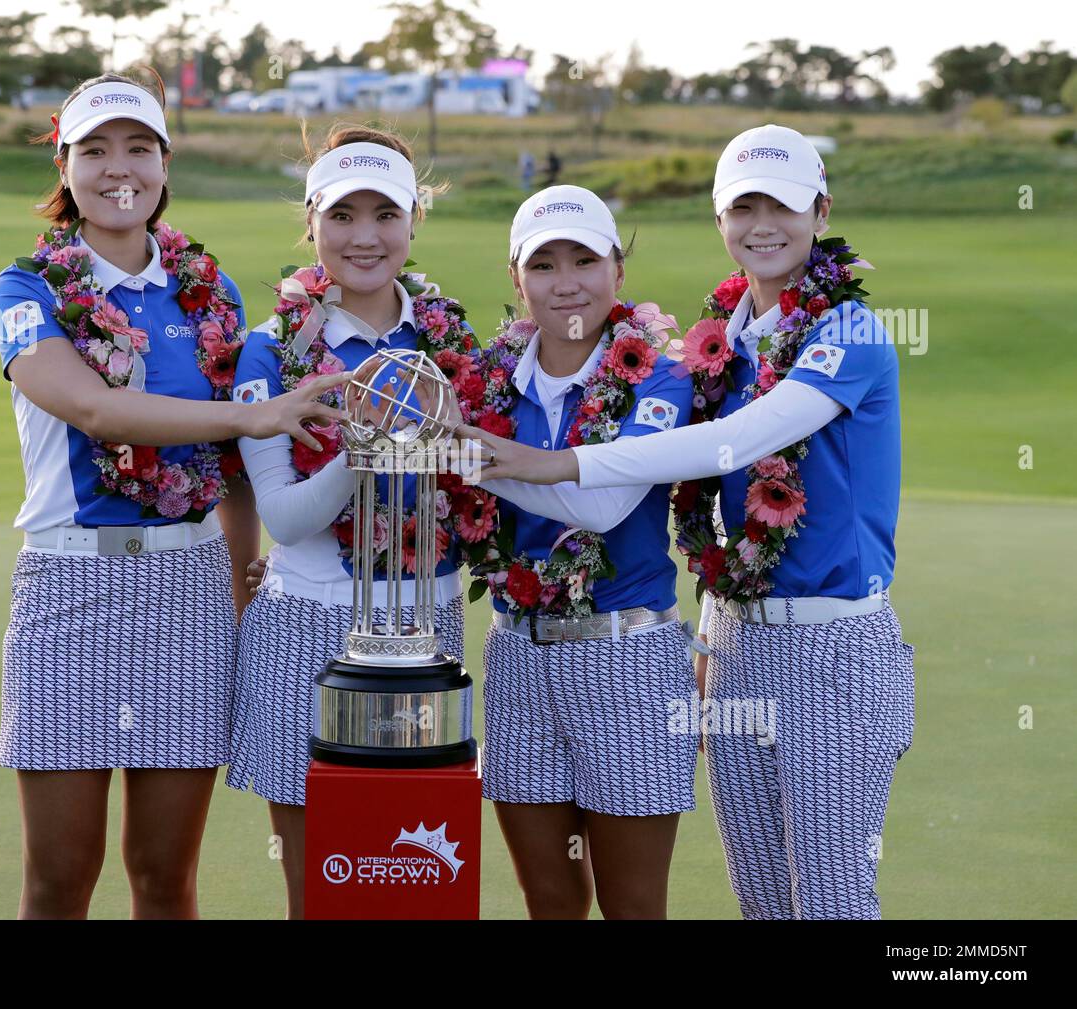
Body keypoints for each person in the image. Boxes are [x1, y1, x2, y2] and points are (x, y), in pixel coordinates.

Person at [462, 125, 915, 920]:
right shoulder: (725, 345)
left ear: (821, 210)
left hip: (834, 643)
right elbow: (710, 498)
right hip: (737, 642)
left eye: (782, 203)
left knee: (834, 901)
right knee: (765, 900)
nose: (762, 223)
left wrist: (544, 462)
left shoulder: (852, 332)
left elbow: (736, 440)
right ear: (720, 221)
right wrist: (711, 631)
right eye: (744, 204)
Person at [0, 68, 347, 920]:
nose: (121, 168)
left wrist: (241, 572)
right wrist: (251, 417)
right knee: (59, 877)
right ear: (66, 169)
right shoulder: (25, 290)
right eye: (96, 150)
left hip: (188, 590)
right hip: (68, 587)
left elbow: (226, 468)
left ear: (164, 162)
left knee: (163, 875)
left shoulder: (209, 292)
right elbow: (88, 405)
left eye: (139, 148)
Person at [227, 123, 473, 919]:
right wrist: (370, 442)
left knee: (418, 880)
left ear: (413, 222)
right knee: (323, 891)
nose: (364, 237)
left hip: (426, 628)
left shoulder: (451, 342)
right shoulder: (272, 352)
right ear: (312, 222)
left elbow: (481, 486)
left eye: (385, 215)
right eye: (342, 216)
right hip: (304, 626)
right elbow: (289, 518)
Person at [444, 185, 697, 919]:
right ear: (517, 279)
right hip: (518, 655)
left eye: (585, 259)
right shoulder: (490, 380)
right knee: (550, 898)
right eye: (544, 264)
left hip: (628, 661)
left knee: (633, 904)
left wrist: (484, 459)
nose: (567, 282)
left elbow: (604, 505)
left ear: (618, 270)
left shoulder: (659, 376)